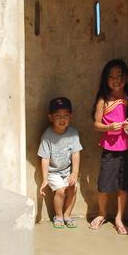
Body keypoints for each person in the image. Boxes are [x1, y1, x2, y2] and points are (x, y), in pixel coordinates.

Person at [89, 59, 128, 235]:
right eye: (111, 77)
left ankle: (119, 218)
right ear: (105, 79)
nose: (116, 80)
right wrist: (108, 127)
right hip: (110, 149)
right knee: (104, 185)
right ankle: (102, 214)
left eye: (119, 76)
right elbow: (96, 124)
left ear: (126, 78)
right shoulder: (103, 100)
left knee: (124, 185)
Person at [38, 97, 83, 229]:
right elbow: (45, 158)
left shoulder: (73, 134)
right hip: (53, 172)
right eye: (57, 116)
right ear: (50, 117)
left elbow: (76, 153)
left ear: (71, 117)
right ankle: (58, 216)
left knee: (73, 189)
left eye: (65, 116)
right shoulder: (47, 136)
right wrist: (45, 179)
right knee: (61, 191)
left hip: (67, 170)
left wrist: (74, 173)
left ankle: (67, 215)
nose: (62, 119)